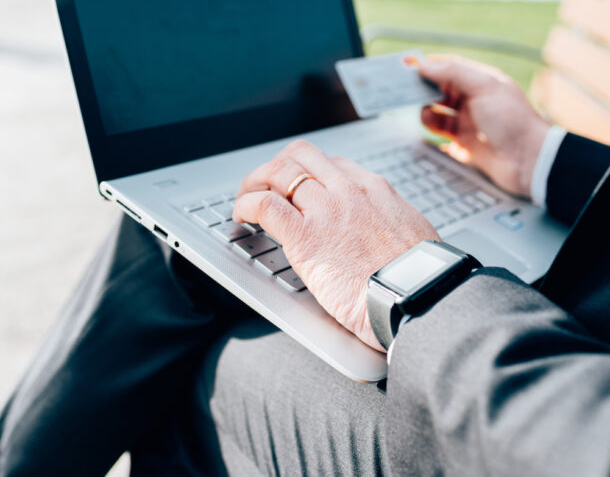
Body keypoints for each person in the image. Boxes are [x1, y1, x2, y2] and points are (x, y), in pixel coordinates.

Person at [1, 55, 609, 477]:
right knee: (218, 249)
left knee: (191, 284)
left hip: (527, 426)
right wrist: (543, 156)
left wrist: (417, 280)